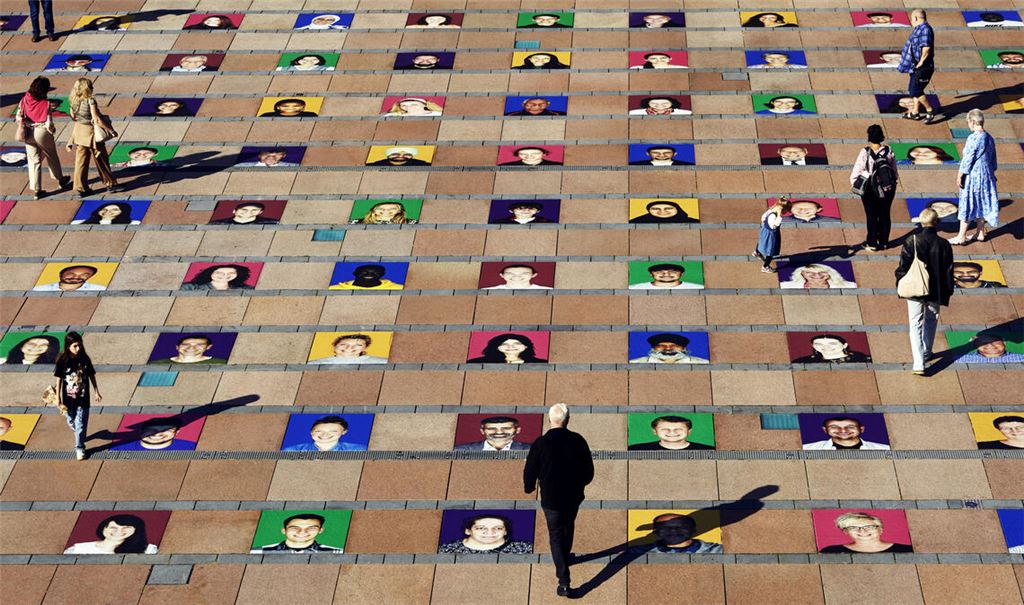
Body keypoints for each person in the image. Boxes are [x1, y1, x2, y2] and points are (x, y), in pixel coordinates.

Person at [524, 404, 593, 597]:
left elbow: (530, 470)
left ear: (549, 420)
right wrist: (580, 484)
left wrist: (529, 487)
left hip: (551, 499)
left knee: (555, 534)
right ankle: (565, 556)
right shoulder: (578, 440)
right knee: (568, 525)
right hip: (573, 496)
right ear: (568, 420)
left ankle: (564, 581)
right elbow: (589, 471)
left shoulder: (540, 443)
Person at [895, 208, 954, 375]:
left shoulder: (911, 240)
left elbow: (903, 267)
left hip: (915, 288)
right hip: (936, 289)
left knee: (915, 324)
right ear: (937, 222)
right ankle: (927, 351)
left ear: (921, 222)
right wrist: (948, 290)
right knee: (931, 320)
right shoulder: (944, 244)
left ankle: (919, 363)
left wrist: (900, 281)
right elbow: (949, 270)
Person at [15, 77, 70, 199]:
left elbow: (19, 116)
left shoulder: (25, 99)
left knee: (33, 160)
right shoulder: (46, 104)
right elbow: (49, 123)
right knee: (51, 155)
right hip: (42, 132)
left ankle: (36, 189)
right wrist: (53, 130)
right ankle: (60, 179)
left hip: (28, 132)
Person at [950, 109, 999, 245]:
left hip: (974, 174)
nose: (968, 125)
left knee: (967, 202)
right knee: (982, 202)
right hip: (987, 174)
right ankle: (980, 232)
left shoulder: (973, 138)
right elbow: (993, 160)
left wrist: (960, 175)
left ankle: (961, 236)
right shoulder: (989, 137)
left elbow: (968, 159)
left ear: (972, 121)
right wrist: (991, 172)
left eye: (968, 122)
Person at [66, 78, 121, 197]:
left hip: (79, 132)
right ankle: (110, 183)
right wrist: (111, 130)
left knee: (81, 162)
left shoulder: (73, 100)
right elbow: (96, 119)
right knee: (101, 158)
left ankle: (81, 188)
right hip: (91, 133)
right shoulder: (90, 100)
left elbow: (73, 116)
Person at [851, 125, 899, 250]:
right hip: (887, 188)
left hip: (870, 189)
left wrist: (855, 184)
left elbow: (857, 171)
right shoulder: (888, 151)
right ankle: (884, 242)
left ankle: (872, 243)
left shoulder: (865, 152)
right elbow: (894, 171)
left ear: (869, 136)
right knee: (885, 214)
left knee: (871, 215)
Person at [52, 332, 99, 460]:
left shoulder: (85, 359)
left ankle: (79, 447)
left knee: (81, 424)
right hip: (68, 398)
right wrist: (58, 398)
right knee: (71, 419)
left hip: (83, 398)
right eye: (75, 346)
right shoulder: (63, 360)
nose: (78, 349)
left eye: (80, 345)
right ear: (68, 346)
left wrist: (96, 391)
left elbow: (91, 375)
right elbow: (58, 379)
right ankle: (74, 425)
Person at [898, 9, 937, 121]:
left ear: (915, 18)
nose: (911, 21)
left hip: (923, 67)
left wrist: (920, 63)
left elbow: (926, 48)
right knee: (916, 89)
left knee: (915, 90)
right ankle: (915, 112)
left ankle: (929, 110)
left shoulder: (925, 30)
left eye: (911, 19)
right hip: (916, 66)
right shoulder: (920, 29)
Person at [819, 512, 912, 553]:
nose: (862, 531)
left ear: (880, 529)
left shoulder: (907, 549)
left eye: (869, 527)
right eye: (853, 527)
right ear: (846, 531)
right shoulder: (830, 551)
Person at [438, 514, 533, 554]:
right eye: (481, 528)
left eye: (498, 528)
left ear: (505, 531)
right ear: (468, 530)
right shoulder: (447, 550)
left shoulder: (526, 549)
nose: (490, 532)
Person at [64, 514, 158, 554]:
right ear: (103, 529)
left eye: (126, 528)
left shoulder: (149, 550)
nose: (119, 531)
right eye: (113, 528)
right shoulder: (78, 550)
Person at [251, 514, 343, 553]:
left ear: (320, 530)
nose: (302, 532)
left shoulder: (336, 552)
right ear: (284, 531)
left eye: (311, 528)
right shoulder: (258, 552)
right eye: (294, 528)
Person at [644, 513, 722, 553]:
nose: (673, 531)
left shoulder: (720, 550)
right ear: (655, 531)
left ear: (693, 530)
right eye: (665, 527)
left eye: (681, 527)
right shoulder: (636, 552)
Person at [629, 416, 714, 451]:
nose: (672, 432)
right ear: (655, 431)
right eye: (665, 429)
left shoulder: (709, 450)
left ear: (689, 431)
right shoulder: (635, 449)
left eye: (678, 429)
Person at [283, 415, 366, 451]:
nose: (325, 434)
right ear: (311, 432)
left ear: (344, 432)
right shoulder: (292, 451)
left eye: (333, 431)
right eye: (319, 431)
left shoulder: (359, 450)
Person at [803, 417, 889, 449]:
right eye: (834, 427)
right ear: (825, 430)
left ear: (861, 429)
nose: (843, 430)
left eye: (850, 427)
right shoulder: (807, 448)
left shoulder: (884, 449)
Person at [110, 417, 194, 450]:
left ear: (177, 432)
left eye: (167, 429)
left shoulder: (190, 447)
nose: (157, 433)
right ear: (141, 431)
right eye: (150, 429)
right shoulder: (117, 449)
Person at [753, 197, 789, 272]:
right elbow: (774, 226)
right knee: (770, 251)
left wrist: (764, 224)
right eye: (786, 211)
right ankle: (765, 267)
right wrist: (779, 216)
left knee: (761, 241)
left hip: (765, 231)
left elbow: (763, 217)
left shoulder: (771, 210)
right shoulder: (774, 216)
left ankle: (757, 252)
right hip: (771, 235)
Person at [454, 416, 530, 451]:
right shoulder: (459, 450)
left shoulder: (532, 450)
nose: (499, 432)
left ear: (518, 430)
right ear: (482, 431)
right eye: (491, 428)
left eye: (506, 428)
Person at [630, 333, 709, 364]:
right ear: (653, 348)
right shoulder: (634, 363)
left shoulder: (703, 363)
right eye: (661, 346)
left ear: (684, 348)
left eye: (674, 346)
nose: (668, 349)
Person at [309, 334, 388, 365]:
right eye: (343, 344)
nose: (349, 348)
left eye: (357, 345)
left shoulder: (382, 362)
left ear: (364, 348)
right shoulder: (314, 364)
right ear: (335, 346)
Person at [468, 334, 548, 364]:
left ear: (526, 346)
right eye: (504, 344)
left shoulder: (542, 363)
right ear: (497, 347)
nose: (511, 347)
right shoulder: (476, 362)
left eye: (516, 344)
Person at [792, 335, 872, 364]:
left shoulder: (865, 360)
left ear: (844, 345)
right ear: (813, 346)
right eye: (818, 344)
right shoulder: (801, 362)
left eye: (832, 343)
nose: (826, 347)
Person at [150, 335, 227, 365]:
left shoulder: (220, 363)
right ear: (177, 347)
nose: (191, 348)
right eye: (186, 344)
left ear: (208, 347)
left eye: (199, 345)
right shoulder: (155, 364)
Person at [956, 335, 1024, 364]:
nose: (990, 345)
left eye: (995, 341)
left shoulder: (1021, 358)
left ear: (1004, 342)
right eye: (983, 342)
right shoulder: (959, 359)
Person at [33, 264, 106, 291]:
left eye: (84, 275)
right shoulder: (39, 289)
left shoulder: (101, 289)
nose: (76, 277)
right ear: (61, 274)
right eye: (70, 274)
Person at [629, 263, 703, 290]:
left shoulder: (699, 288)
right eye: (659, 272)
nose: (666, 274)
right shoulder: (633, 288)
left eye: (673, 271)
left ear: (682, 274)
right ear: (651, 274)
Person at [781, 264, 858, 289]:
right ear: (802, 274)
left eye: (823, 272)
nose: (817, 275)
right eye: (809, 272)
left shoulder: (850, 286)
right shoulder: (785, 286)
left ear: (830, 274)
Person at [181, 264, 253, 291]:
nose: (225, 275)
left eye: (231, 273)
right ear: (210, 273)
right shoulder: (188, 288)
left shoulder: (247, 289)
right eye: (219, 273)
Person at [329, 264, 404, 290]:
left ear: (382, 274)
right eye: (364, 272)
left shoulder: (399, 288)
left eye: (375, 273)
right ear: (355, 274)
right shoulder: (333, 289)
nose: (369, 275)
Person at [483, 264, 552, 290]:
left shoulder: (548, 290)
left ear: (534, 275)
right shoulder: (486, 291)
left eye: (524, 273)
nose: (517, 276)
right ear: (502, 275)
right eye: (510, 273)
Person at [629, 200, 698, 223]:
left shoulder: (693, 222)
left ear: (678, 209)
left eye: (668, 208)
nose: (662, 212)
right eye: (655, 209)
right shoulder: (637, 221)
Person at [210, 202, 278, 225]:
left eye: (254, 210)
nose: (248, 212)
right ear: (234, 211)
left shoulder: (272, 222)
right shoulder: (217, 223)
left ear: (260, 212)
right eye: (244, 209)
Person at [351, 201, 416, 224]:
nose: (386, 211)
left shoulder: (411, 223)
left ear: (399, 210)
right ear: (373, 210)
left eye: (392, 209)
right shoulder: (356, 222)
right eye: (380, 208)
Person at [763, 145, 827, 166]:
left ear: (806, 151)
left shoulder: (822, 162)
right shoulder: (766, 162)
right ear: (779, 151)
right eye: (787, 151)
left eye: (797, 152)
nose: (792, 154)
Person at [367, 147, 431, 166]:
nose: (401, 156)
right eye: (396, 154)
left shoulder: (421, 164)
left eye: (406, 155)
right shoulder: (376, 165)